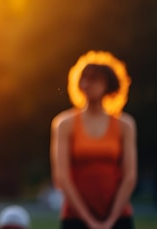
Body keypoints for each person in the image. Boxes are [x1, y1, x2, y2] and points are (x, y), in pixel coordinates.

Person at [50, 50, 137, 229]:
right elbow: (62, 177)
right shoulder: (64, 123)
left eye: (94, 79)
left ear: (108, 84)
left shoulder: (124, 125)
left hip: (118, 217)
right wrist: (90, 222)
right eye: (84, 78)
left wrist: (111, 221)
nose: (87, 83)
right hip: (75, 218)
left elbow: (129, 177)